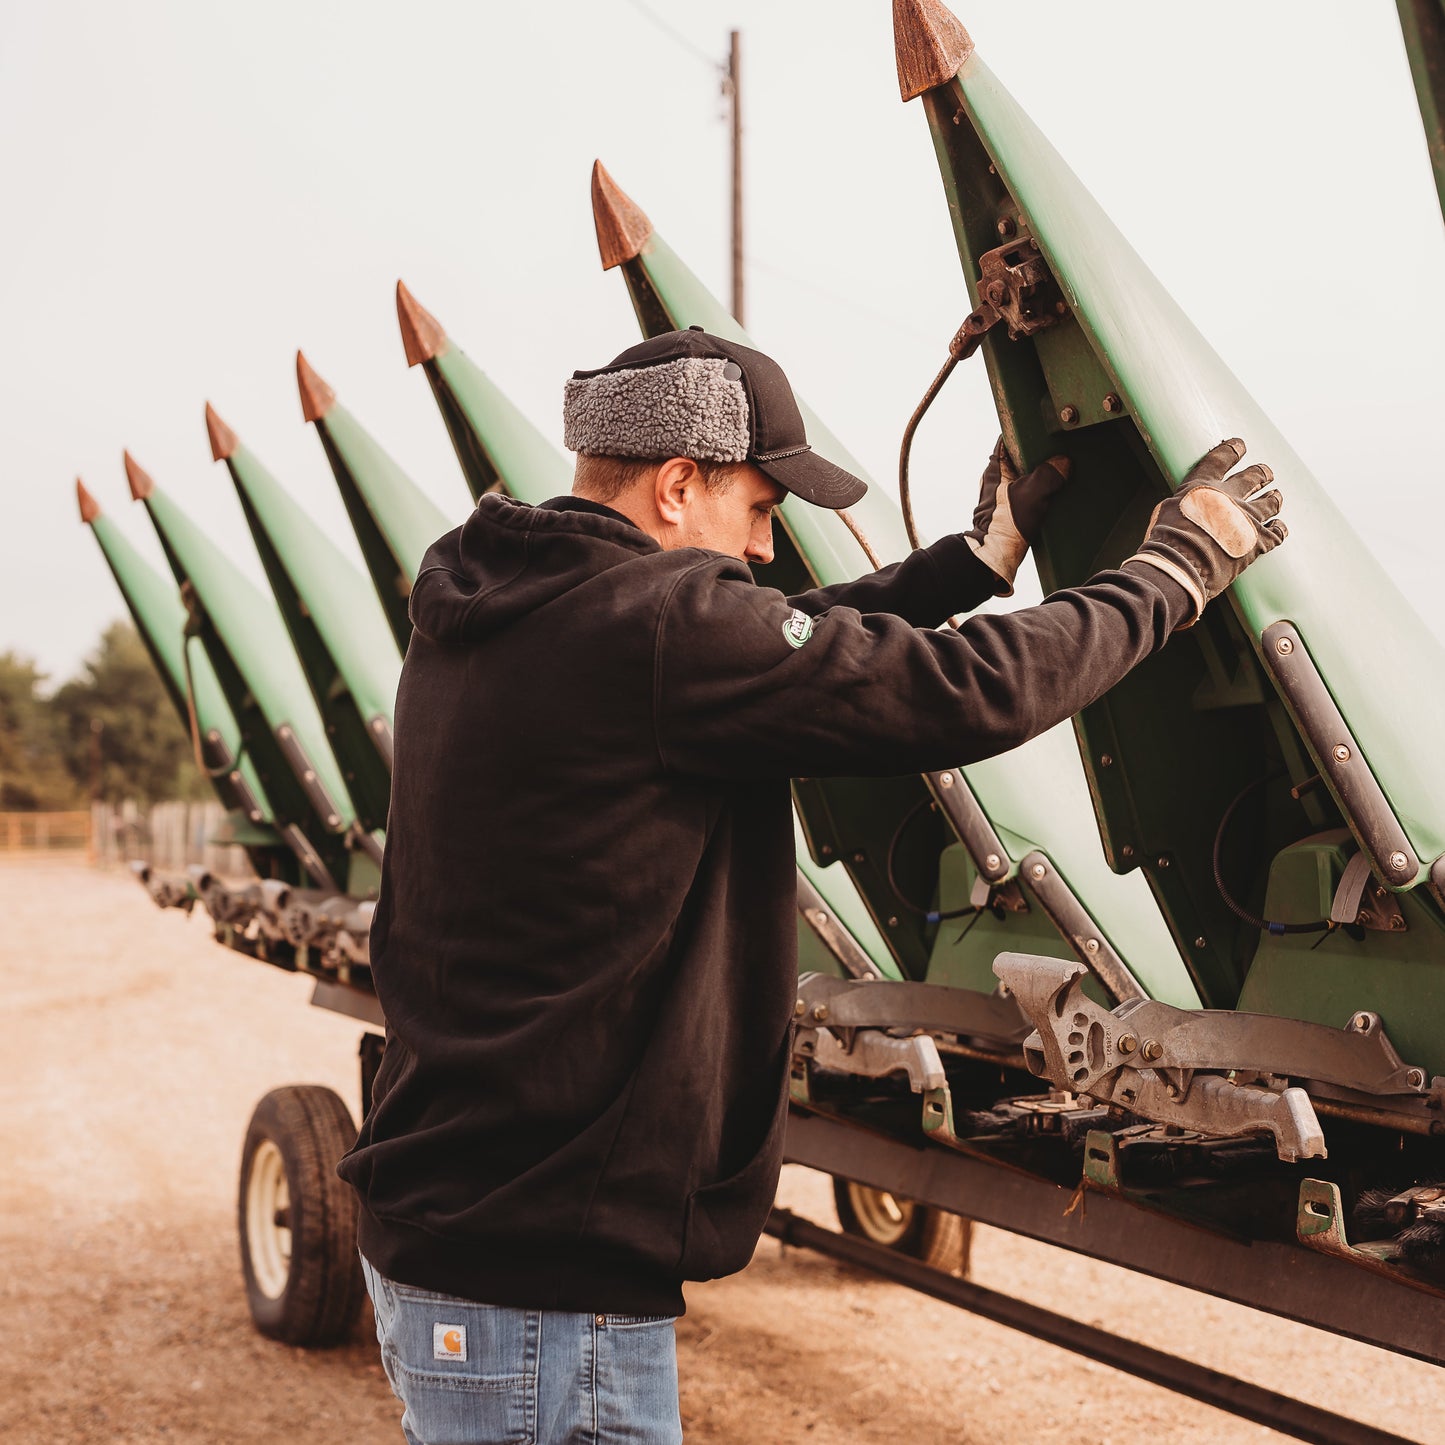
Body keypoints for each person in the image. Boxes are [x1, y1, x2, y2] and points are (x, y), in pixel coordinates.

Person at [338, 326, 1286, 1444]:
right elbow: (956, 692)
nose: (763, 543)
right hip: (542, 1284)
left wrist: (968, 565)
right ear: (678, 485)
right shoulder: (653, 630)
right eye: (757, 508)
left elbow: (777, 640)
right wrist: (1170, 572)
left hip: (455, 1232)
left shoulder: (502, 606)